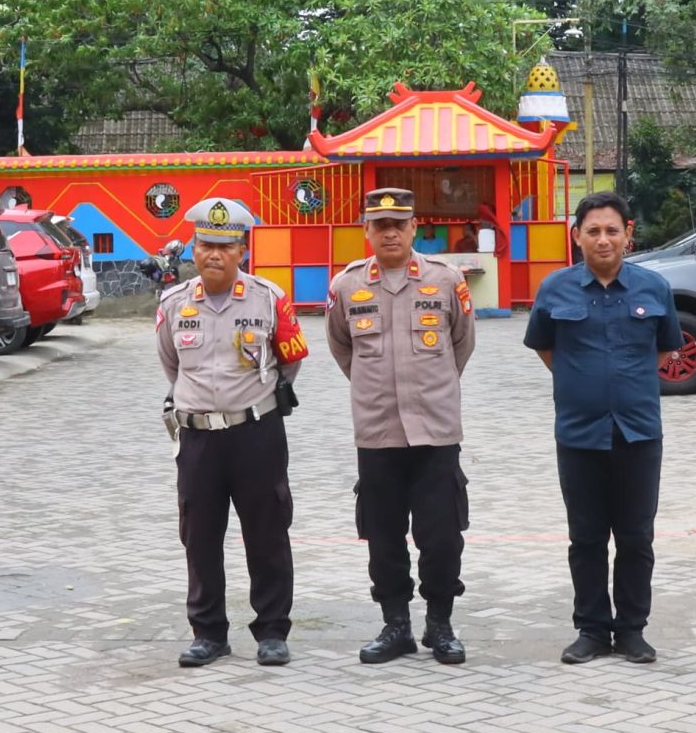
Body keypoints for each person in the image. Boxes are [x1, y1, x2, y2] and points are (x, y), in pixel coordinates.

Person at [524, 189, 682, 665]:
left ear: (628, 234)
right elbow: (545, 348)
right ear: (576, 236)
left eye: (612, 230)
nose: (603, 239)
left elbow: (664, 349)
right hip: (579, 433)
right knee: (586, 538)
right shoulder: (555, 289)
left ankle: (632, 630)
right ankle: (591, 630)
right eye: (592, 231)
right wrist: (582, 383)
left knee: (636, 537)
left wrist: (624, 384)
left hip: (639, 433)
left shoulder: (654, 288)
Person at [326, 187, 478, 666]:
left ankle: (440, 624)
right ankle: (396, 626)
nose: (389, 233)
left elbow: (462, 344)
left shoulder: (446, 280)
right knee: (383, 535)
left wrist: (432, 385)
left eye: (399, 224)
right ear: (366, 230)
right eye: (380, 225)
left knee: (442, 534)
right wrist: (374, 387)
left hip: (435, 430)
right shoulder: (346, 286)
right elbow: (342, 348)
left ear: (414, 228)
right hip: (377, 432)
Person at [157, 197, 309, 668]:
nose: (214, 255)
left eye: (225, 246)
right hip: (198, 437)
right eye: (206, 245)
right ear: (193, 249)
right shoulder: (174, 303)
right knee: (199, 535)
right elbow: (171, 364)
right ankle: (208, 633)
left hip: (256, 432)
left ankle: (272, 631)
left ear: (242, 250)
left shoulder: (269, 298)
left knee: (267, 532)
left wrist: (255, 400)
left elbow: (291, 360)